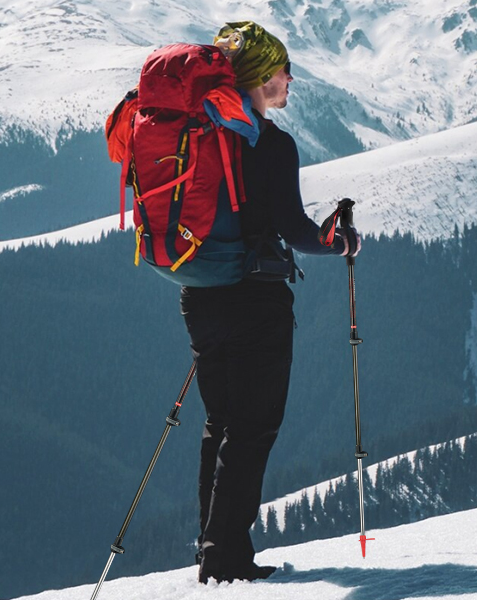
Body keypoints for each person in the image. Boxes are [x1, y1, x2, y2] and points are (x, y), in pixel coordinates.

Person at [181, 21, 361, 584]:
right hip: (255, 300)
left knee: (221, 421)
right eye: (283, 70)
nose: (289, 80)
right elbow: (292, 227)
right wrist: (337, 241)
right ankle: (227, 556)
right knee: (254, 425)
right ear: (260, 78)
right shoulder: (271, 144)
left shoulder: (200, 135)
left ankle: (211, 547)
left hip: (199, 293)